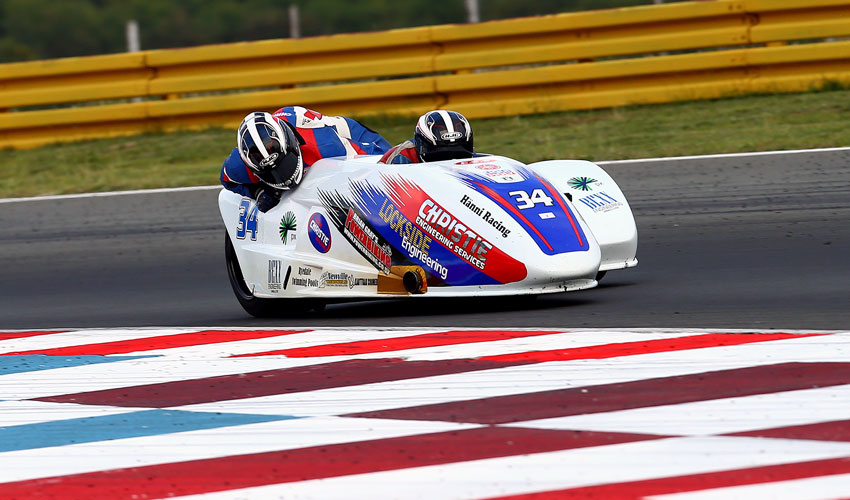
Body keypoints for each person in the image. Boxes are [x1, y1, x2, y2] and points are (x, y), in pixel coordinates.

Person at [220, 106, 391, 212]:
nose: (282, 176)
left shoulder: (327, 147)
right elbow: (227, 180)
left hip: (355, 136)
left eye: (284, 165)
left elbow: (380, 161)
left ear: (293, 146)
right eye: (273, 173)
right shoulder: (240, 165)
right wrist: (258, 191)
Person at [378, 110, 474, 164]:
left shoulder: (475, 159)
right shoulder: (401, 158)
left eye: (458, 155)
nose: (450, 161)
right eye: (441, 156)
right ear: (421, 146)